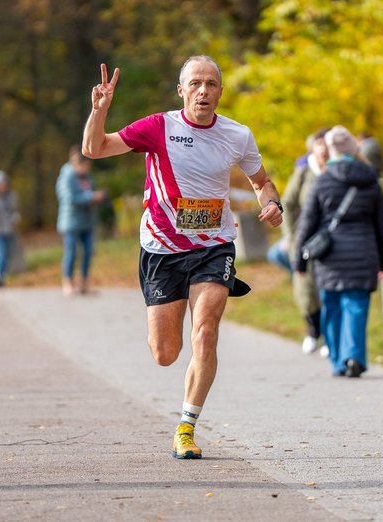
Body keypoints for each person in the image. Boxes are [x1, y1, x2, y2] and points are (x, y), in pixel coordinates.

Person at [82, 56, 283, 460]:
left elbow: (260, 182)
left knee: (206, 331)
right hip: (162, 250)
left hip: (214, 246)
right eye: (195, 84)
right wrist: (99, 110)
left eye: (211, 84)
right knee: (165, 353)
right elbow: (94, 148)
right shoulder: (159, 127)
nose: (203, 91)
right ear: (181, 90)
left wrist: (273, 202)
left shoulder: (237, 135)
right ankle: (180, 399)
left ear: (220, 92)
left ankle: (187, 427)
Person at [294, 125, 383, 378]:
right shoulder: (371, 180)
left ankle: (338, 361)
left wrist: (299, 262)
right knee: (357, 306)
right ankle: (354, 357)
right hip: (364, 253)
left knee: (332, 307)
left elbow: (307, 224)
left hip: (329, 257)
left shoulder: (322, 181)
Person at [281, 127, 330, 354]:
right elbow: (288, 203)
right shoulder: (304, 172)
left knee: (329, 287)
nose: (323, 148)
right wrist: (291, 236)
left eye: (327, 143)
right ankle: (313, 330)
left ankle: (330, 337)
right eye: (319, 143)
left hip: (333, 239)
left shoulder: (338, 169)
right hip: (305, 238)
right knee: (306, 289)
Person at [56, 146, 106, 296]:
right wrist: (91, 197)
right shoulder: (67, 176)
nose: (87, 169)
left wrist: (96, 198)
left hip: (86, 221)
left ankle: (84, 283)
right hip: (70, 221)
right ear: (78, 163)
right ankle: (68, 282)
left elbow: (88, 192)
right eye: (85, 166)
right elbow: (69, 198)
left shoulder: (87, 177)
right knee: (71, 251)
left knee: (88, 252)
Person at [0, 170, 21, 287]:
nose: (3, 186)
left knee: (8, 254)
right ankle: (0, 279)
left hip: (9, 230)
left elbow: (15, 210)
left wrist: (15, 217)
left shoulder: (12, 196)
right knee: (0, 254)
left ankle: (5, 275)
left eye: (4, 183)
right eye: (0, 183)